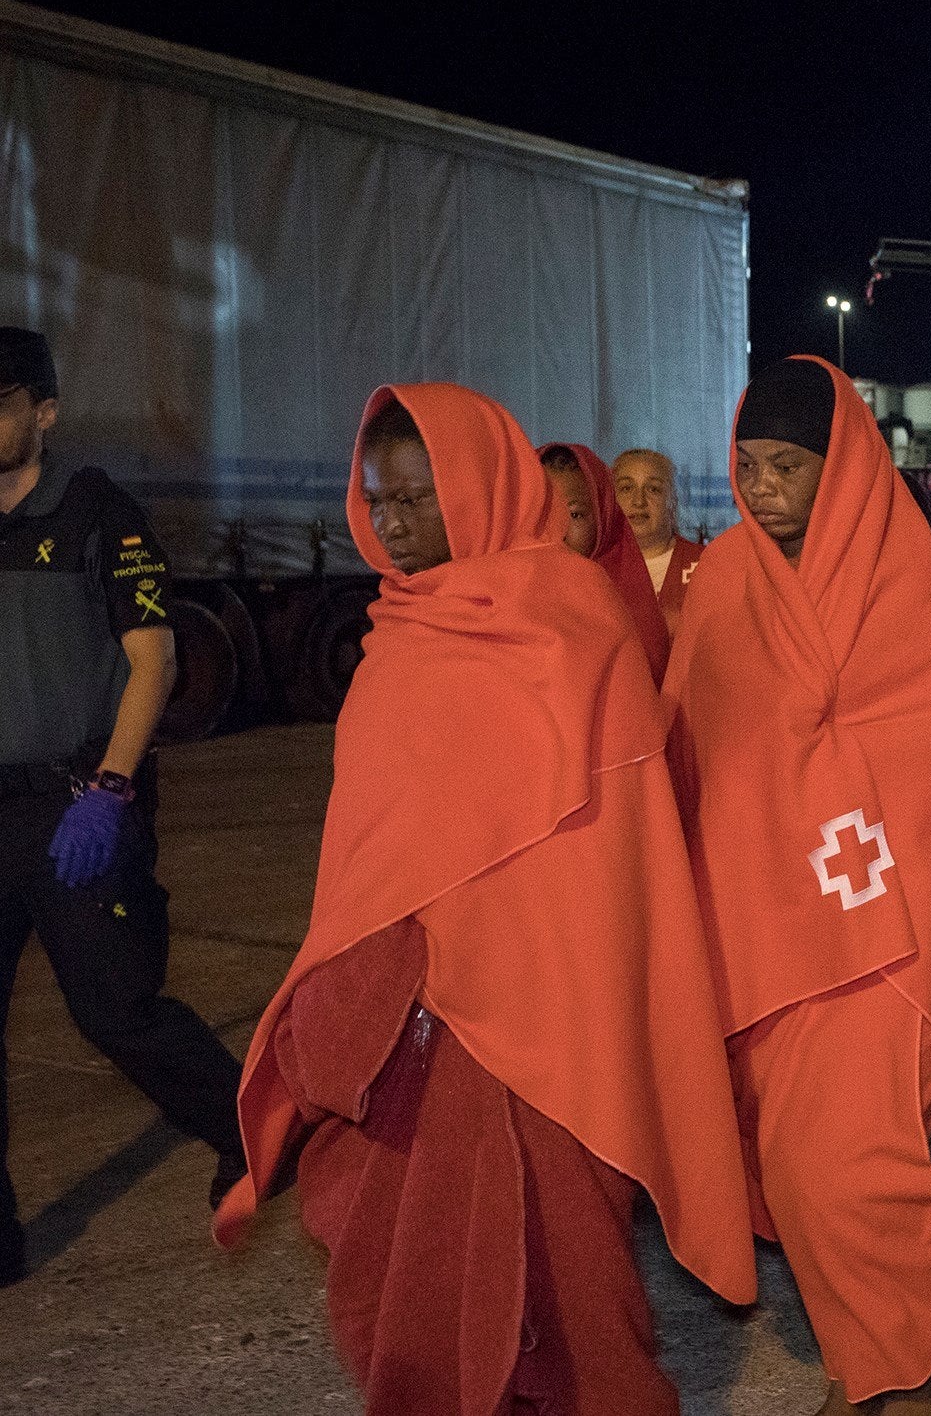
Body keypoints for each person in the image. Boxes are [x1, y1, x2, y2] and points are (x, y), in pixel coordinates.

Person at [215, 384, 758, 1413]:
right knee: (414, 1261)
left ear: (484, 486)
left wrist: (554, 970)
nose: (397, 520)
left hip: (555, 1002)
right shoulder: (397, 637)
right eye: (380, 498)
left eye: (422, 495)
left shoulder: (571, 623)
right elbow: (377, 855)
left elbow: (614, 852)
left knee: (570, 1262)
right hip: (418, 1018)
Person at [664, 358, 931, 1415]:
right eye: (747, 464)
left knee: (846, 1163)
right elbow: (692, 745)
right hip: (775, 921)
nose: (762, 485)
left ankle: (901, 1379)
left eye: (788, 466)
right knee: (790, 1161)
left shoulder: (920, 587)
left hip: (898, 929)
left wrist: (839, 771)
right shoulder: (724, 582)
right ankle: (902, 1348)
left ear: (845, 469)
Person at [0, 328, 246, 1290]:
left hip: (74, 805)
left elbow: (157, 658)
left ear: (44, 412)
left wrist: (110, 787)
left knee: (116, 1012)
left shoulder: (99, 514)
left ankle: (247, 1129)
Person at [542, 443, 672, 680]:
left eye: (575, 515)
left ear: (603, 516)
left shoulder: (633, 619)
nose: (557, 529)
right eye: (543, 512)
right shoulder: (495, 604)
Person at [612, 447, 703, 639]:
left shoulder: (705, 565)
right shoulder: (596, 569)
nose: (639, 501)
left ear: (672, 501)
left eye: (653, 489)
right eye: (626, 488)